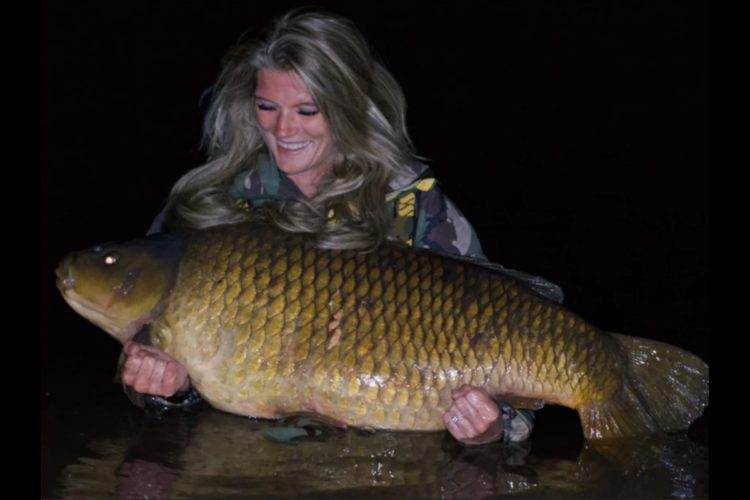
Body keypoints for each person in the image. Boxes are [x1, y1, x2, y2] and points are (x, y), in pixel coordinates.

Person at [121, 8, 559, 446]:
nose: (283, 128)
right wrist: (169, 389)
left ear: (349, 107)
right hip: (245, 459)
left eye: (307, 110)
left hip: (386, 467)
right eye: (266, 107)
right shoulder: (211, 206)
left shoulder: (414, 205)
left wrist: (491, 428)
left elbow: (508, 353)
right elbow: (145, 368)